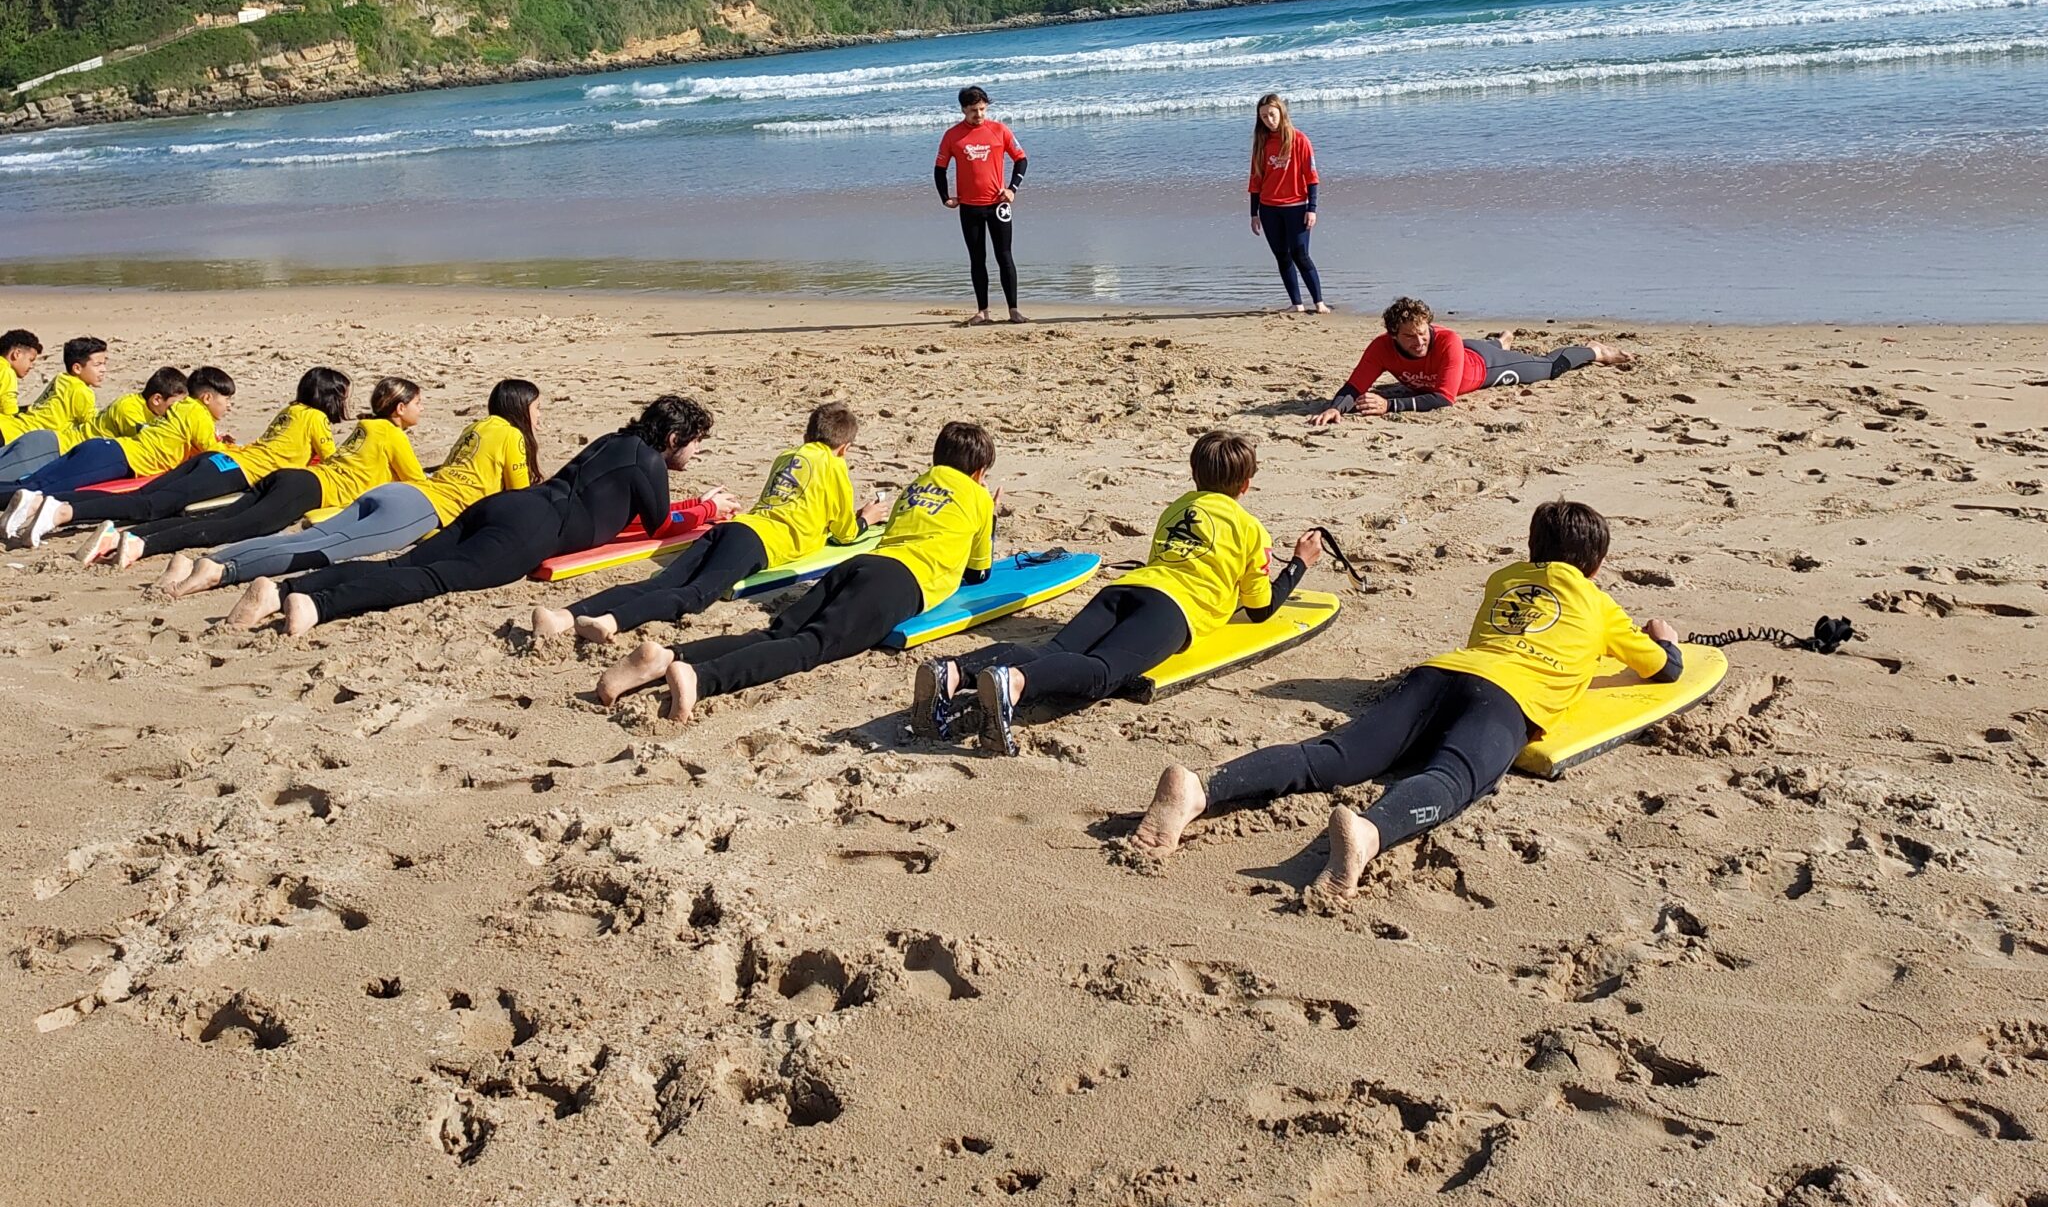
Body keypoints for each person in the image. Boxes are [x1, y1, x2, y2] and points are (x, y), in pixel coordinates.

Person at [1130, 500, 1682, 896]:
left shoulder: (1504, 578)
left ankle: (1200, 789)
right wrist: (1664, 638)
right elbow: (1661, 670)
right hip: (1507, 698)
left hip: (1441, 674)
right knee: (1451, 778)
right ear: (1597, 565)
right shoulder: (1601, 603)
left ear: (1532, 548)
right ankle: (1369, 832)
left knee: (1333, 754)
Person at [916, 429, 1325, 752]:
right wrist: (1299, 563)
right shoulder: (1251, 529)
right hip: (1173, 610)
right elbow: (1260, 608)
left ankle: (953, 671)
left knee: (1055, 652)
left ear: (1194, 474)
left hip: (1126, 589)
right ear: (1246, 485)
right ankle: (1014, 683)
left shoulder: (1178, 507)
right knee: (1105, 673)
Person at [269, 395, 711, 637]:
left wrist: (693, 506)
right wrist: (709, 509)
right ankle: (316, 605)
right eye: (695, 444)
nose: (696, 453)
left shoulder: (612, 441)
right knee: (435, 580)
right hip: (532, 530)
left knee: (404, 563)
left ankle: (284, 591)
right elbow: (659, 525)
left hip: (508, 504)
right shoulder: (649, 462)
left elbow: (623, 512)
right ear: (673, 437)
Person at [660, 420, 997, 727]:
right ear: (979, 473)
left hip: (860, 565)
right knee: (810, 647)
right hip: (900, 582)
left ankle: (670, 655)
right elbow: (978, 572)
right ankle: (700, 678)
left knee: (776, 634)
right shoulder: (979, 497)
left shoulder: (917, 484)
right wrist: (990, 516)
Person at [550, 400, 891, 703]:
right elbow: (844, 532)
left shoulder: (788, 457)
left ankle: (565, 616)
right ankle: (610, 621)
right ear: (843, 448)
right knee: (693, 596)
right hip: (761, 541)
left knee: (661, 582)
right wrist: (866, 518)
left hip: (735, 528)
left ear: (806, 436)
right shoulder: (835, 467)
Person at [165, 378, 544, 619]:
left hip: (394, 493)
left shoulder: (476, 426)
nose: (539, 415)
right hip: (420, 506)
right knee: (325, 549)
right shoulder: (511, 435)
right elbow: (519, 494)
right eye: (537, 407)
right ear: (521, 408)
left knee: (307, 538)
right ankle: (222, 572)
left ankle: (209, 560)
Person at [77, 375, 426, 569]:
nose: (421, 410)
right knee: (234, 527)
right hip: (308, 489)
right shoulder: (393, 436)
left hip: (287, 477)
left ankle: (128, 534)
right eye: (417, 404)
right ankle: (142, 544)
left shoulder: (368, 428)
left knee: (222, 516)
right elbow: (418, 484)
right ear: (399, 408)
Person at [60, 368, 349, 553]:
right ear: (329, 397)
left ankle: (64, 504)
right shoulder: (316, 418)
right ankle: (64, 511)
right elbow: (331, 462)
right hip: (236, 470)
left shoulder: (292, 410)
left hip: (220, 459)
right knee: (152, 506)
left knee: (143, 496)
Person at [2, 367, 235, 546]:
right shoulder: (199, 415)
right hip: (116, 456)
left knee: (29, 485)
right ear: (207, 398)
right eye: (226, 400)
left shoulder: (184, 409)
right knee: (38, 489)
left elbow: (186, 443)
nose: (229, 407)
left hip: (104, 449)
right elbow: (212, 451)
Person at [1310, 297, 1632, 422]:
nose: (1419, 341)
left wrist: (1389, 405)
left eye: (1423, 333)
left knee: (1550, 368)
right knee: (1492, 345)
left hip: (1484, 366)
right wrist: (1334, 408)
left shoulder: (1445, 339)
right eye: (1409, 336)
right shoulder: (1381, 347)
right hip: (1467, 353)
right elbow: (1355, 384)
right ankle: (1501, 340)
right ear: (1393, 334)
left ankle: (1594, 350)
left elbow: (1444, 399)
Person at [935, 86, 1029, 324]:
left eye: (982, 109)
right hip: (969, 207)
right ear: (963, 109)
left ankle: (1013, 310)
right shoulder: (952, 135)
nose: (979, 115)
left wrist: (1012, 189)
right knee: (977, 258)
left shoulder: (999, 130)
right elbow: (940, 169)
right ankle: (983, 311)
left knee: (1005, 256)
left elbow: (1021, 159)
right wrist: (945, 196)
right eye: (974, 110)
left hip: (998, 205)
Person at [1249, 94, 1327, 314]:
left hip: (1296, 207)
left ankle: (1319, 302)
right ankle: (1297, 303)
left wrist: (1312, 209)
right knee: (1282, 256)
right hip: (1269, 208)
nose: (1268, 119)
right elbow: (1255, 179)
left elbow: (1312, 176)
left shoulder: (1299, 140)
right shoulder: (1261, 143)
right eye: (1263, 116)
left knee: (1300, 254)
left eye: (1271, 114)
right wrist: (1253, 213)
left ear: (1281, 113)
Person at [0, 337, 108, 479]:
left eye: (105, 364)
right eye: (98, 364)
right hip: (16, 436)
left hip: (8, 425)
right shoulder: (81, 391)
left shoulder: (61, 378)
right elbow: (94, 427)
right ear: (76, 368)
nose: (103, 370)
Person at [0, 330, 57, 477]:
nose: (31, 366)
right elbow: (9, 410)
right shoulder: (6, 372)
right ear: (16, 354)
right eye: (31, 360)